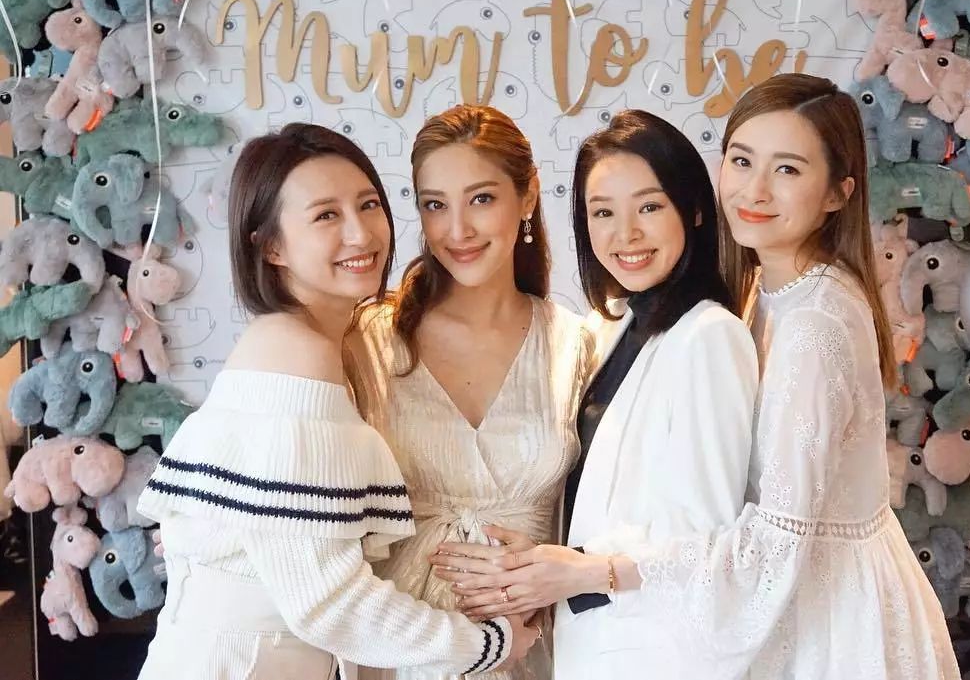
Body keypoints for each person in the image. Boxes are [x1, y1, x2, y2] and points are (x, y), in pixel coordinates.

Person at [440, 76, 963, 679]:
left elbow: (772, 542)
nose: (754, 190)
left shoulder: (811, 326)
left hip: (826, 625)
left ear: (837, 193)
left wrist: (588, 571)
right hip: (769, 609)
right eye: (741, 161)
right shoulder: (758, 292)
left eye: (787, 169)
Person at [136, 123, 536, 680]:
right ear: (271, 245)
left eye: (368, 205)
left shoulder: (325, 342)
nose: (361, 233)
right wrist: (487, 645)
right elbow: (327, 602)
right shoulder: (294, 353)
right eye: (326, 215)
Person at [431, 109, 759, 679]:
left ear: (695, 210)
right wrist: (539, 558)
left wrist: (581, 571)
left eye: (649, 207)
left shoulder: (711, 336)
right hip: (594, 647)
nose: (624, 234)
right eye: (603, 212)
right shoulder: (612, 328)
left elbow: (710, 546)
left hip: (662, 654)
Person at [349, 105, 592, 680]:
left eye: (481, 199)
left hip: (532, 649)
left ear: (528, 196)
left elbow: (604, 519)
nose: (456, 231)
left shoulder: (576, 344)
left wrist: (556, 567)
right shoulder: (370, 338)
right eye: (435, 205)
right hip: (401, 649)